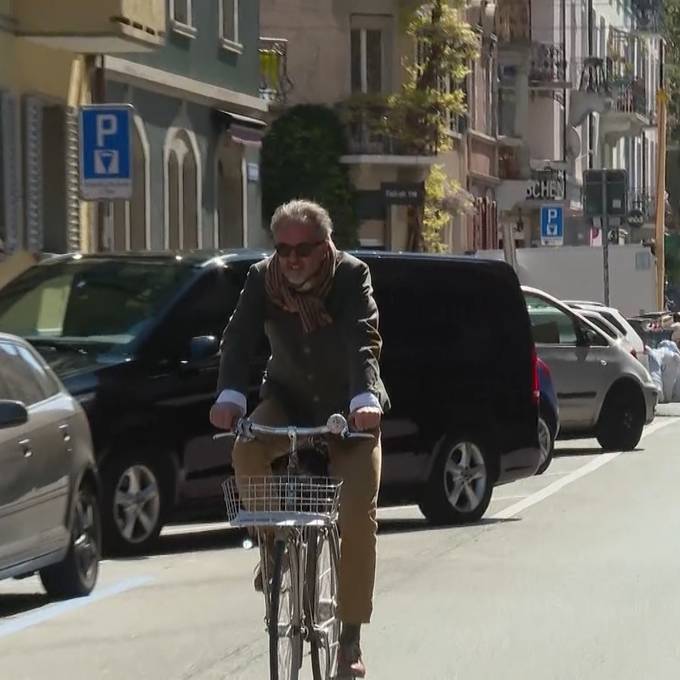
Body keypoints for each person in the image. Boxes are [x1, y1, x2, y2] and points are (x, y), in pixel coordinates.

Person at [210, 199, 389, 678]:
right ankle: (272, 550)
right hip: (287, 401)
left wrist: (364, 399)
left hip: (349, 413)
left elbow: (362, 339)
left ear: (325, 245)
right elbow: (239, 337)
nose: (292, 259)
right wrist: (229, 395)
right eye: (283, 248)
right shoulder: (262, 280)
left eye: (304, 249)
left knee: (355, 513)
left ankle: (349, 639)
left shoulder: (351, 277)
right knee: (246, 447)